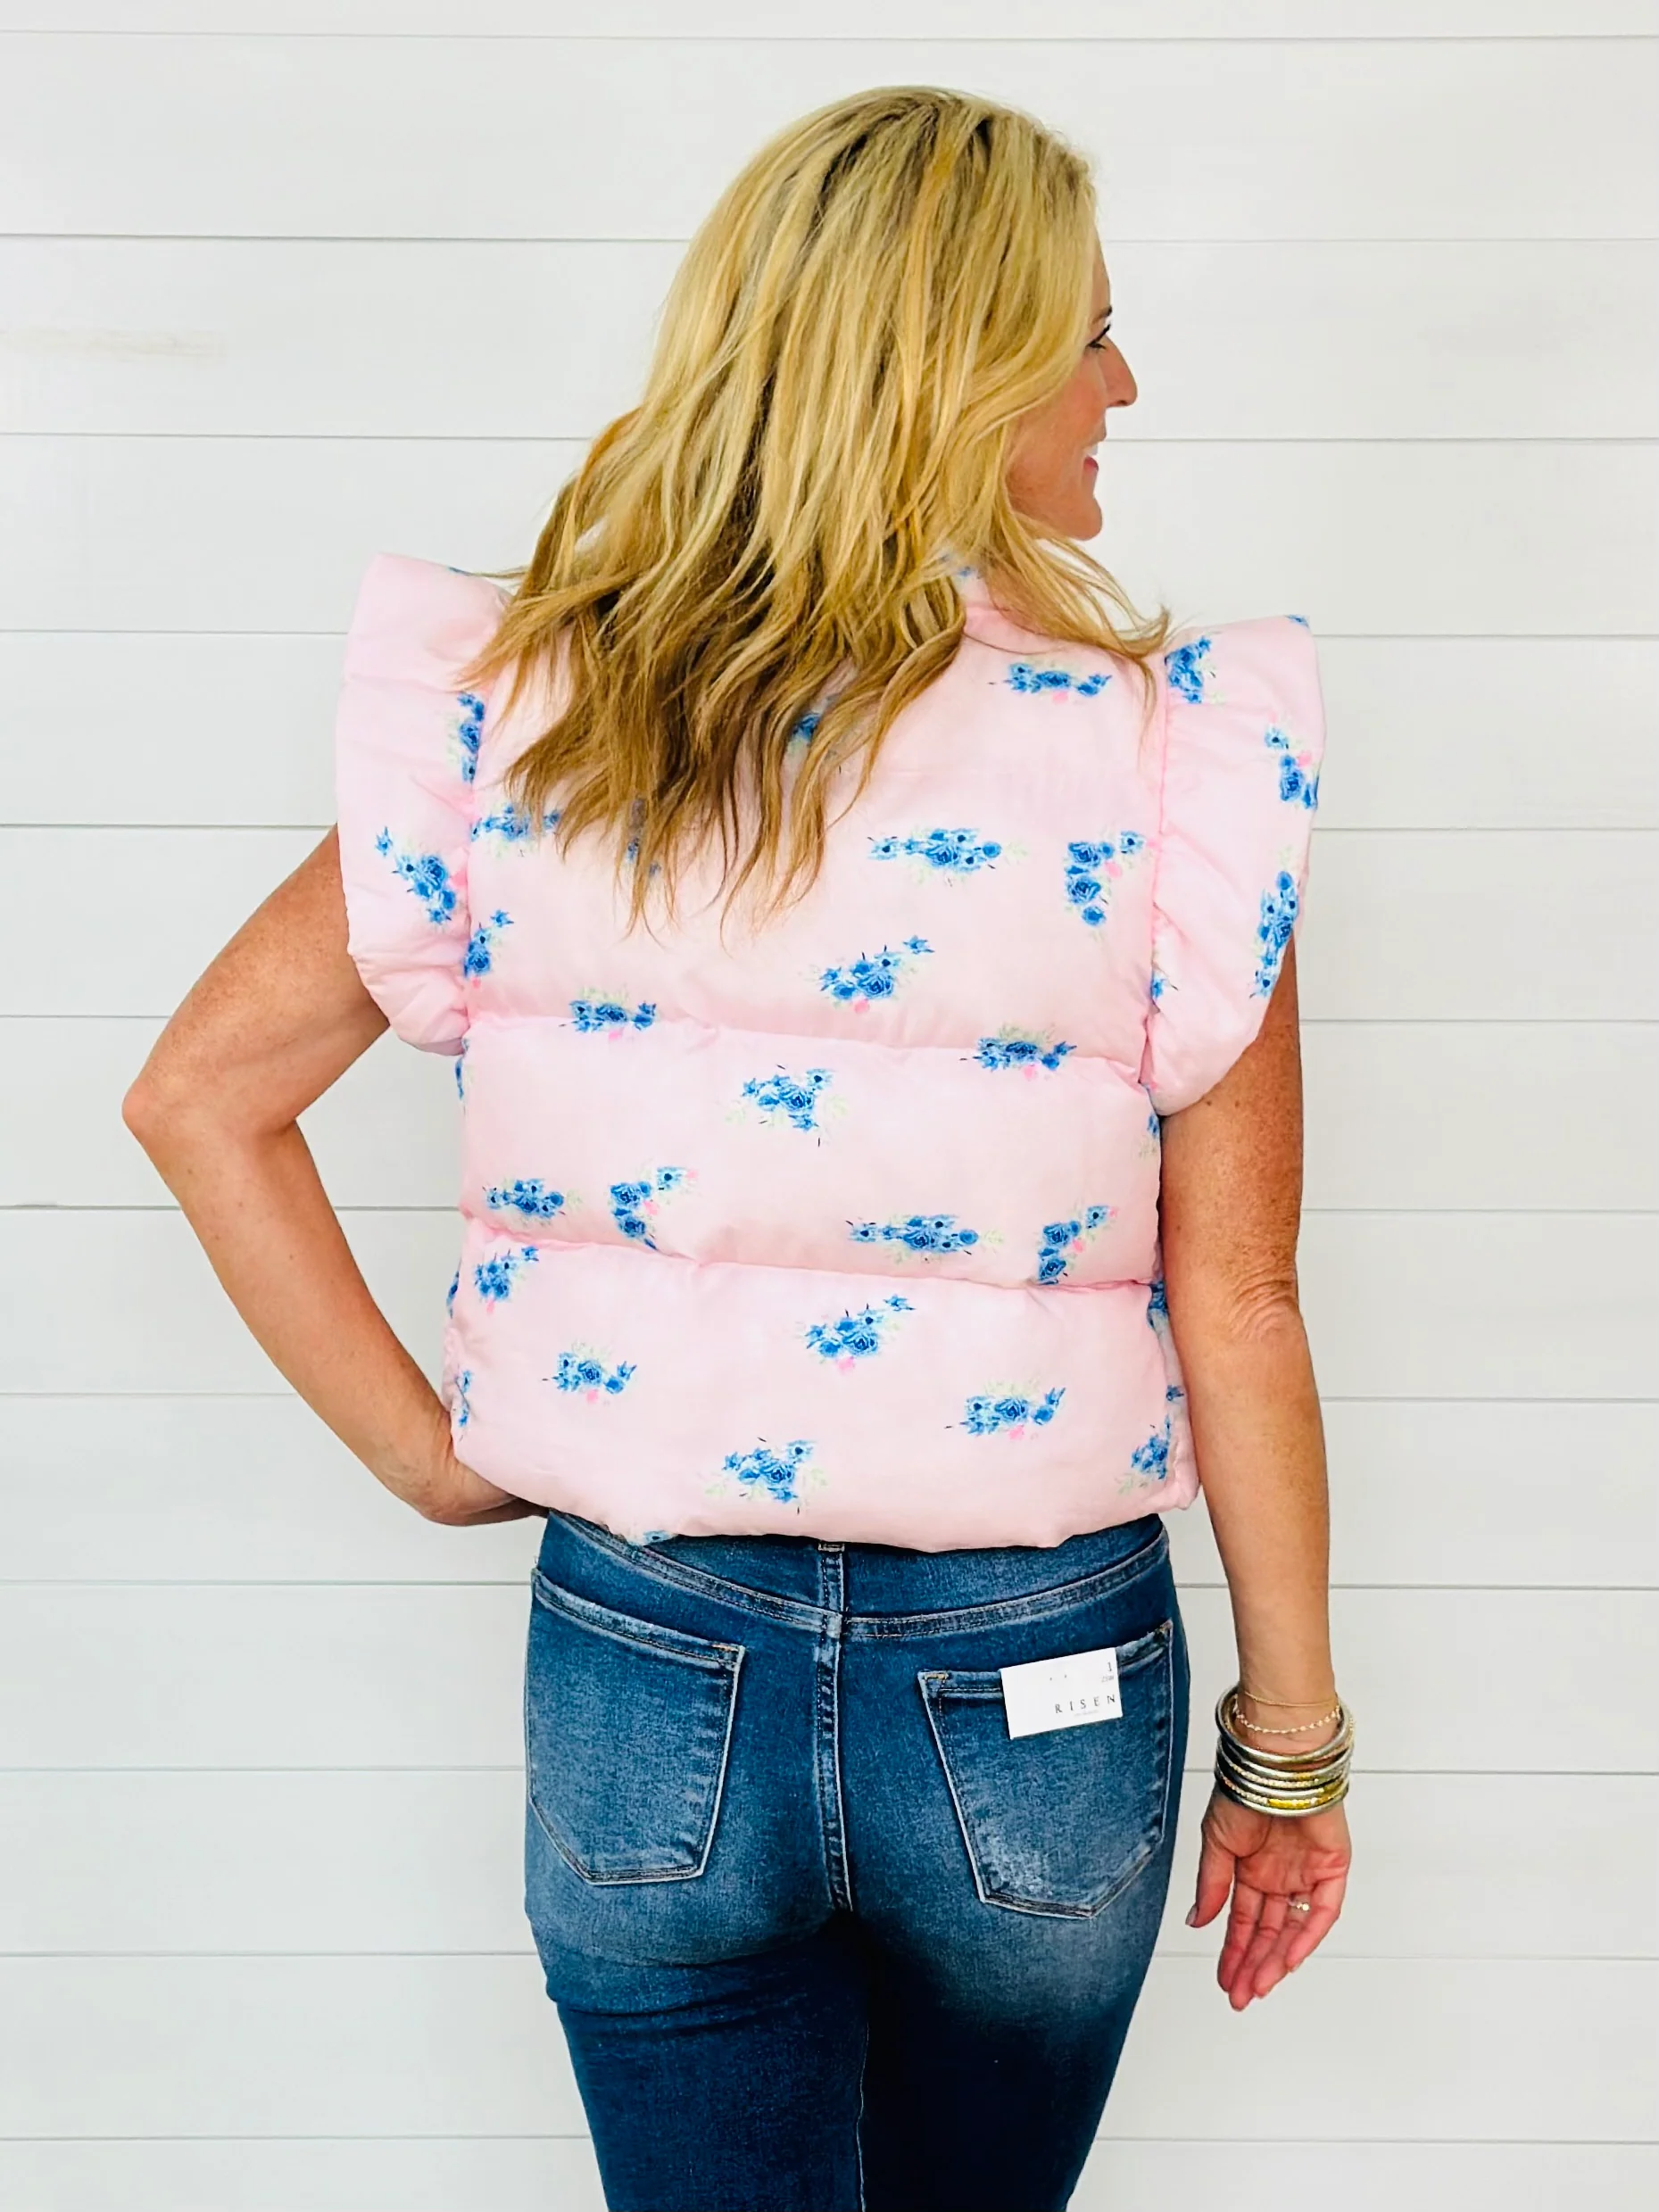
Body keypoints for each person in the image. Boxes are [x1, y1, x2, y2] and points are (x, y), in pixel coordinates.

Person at [123, 86, 1352, 2212]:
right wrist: (1294, 1749)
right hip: (1036, 1671)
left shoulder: (528, 719)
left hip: (648, 1646)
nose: (1122, 385)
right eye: (1084, 334)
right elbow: (1232, 1300)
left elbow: (198, 1095)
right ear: (958, 371)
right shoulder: (1174, 766)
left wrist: (433, 1456)